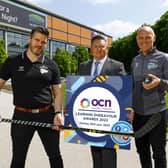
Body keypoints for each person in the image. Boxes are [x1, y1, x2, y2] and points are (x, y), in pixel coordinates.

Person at [0, 26, 64, 168]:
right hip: (21, 116)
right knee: (18, 159)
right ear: (29, 39)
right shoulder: (12, 61)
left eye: (43, 42)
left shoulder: (52, 65)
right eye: (37, 40)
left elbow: (58, 93)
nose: (39, 44)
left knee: (55, 156)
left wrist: (58, 113)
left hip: (47, 114)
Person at [78, 35, 126, 168]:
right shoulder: (83, 66)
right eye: (96, 46)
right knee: (95, 154)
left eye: (102, 46)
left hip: (109, 117)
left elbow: (124, 91)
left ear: (107, 48)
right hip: (91, 118)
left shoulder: (117, 66)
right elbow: (78, 90)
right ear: (91, 49)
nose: (99, 49)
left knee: (108, 156)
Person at [131, 26, 168, 168]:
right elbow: (133, 86)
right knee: (142, 151)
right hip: (138, 115)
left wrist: (160, 82)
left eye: (148, 37)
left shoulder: (164, 58)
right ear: (137, 40)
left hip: (156, 114)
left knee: (158, 153)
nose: (144, 40)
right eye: (141, 37)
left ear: (154, 38)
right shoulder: (135, 60)